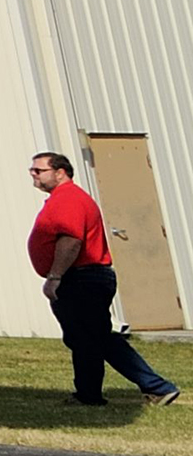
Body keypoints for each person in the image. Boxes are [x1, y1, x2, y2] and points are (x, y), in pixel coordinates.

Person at [28, 151, 180, 406]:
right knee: (87, 338)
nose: (33, 174)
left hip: (81, 278)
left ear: (60, 172)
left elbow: (71, 240)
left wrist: (55, 276)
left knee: (93, 337)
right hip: (83, 278)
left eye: (39, 170)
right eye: (32, 170)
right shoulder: (63, 198)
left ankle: (154, 387)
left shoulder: (68, 198)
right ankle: (92, 394)